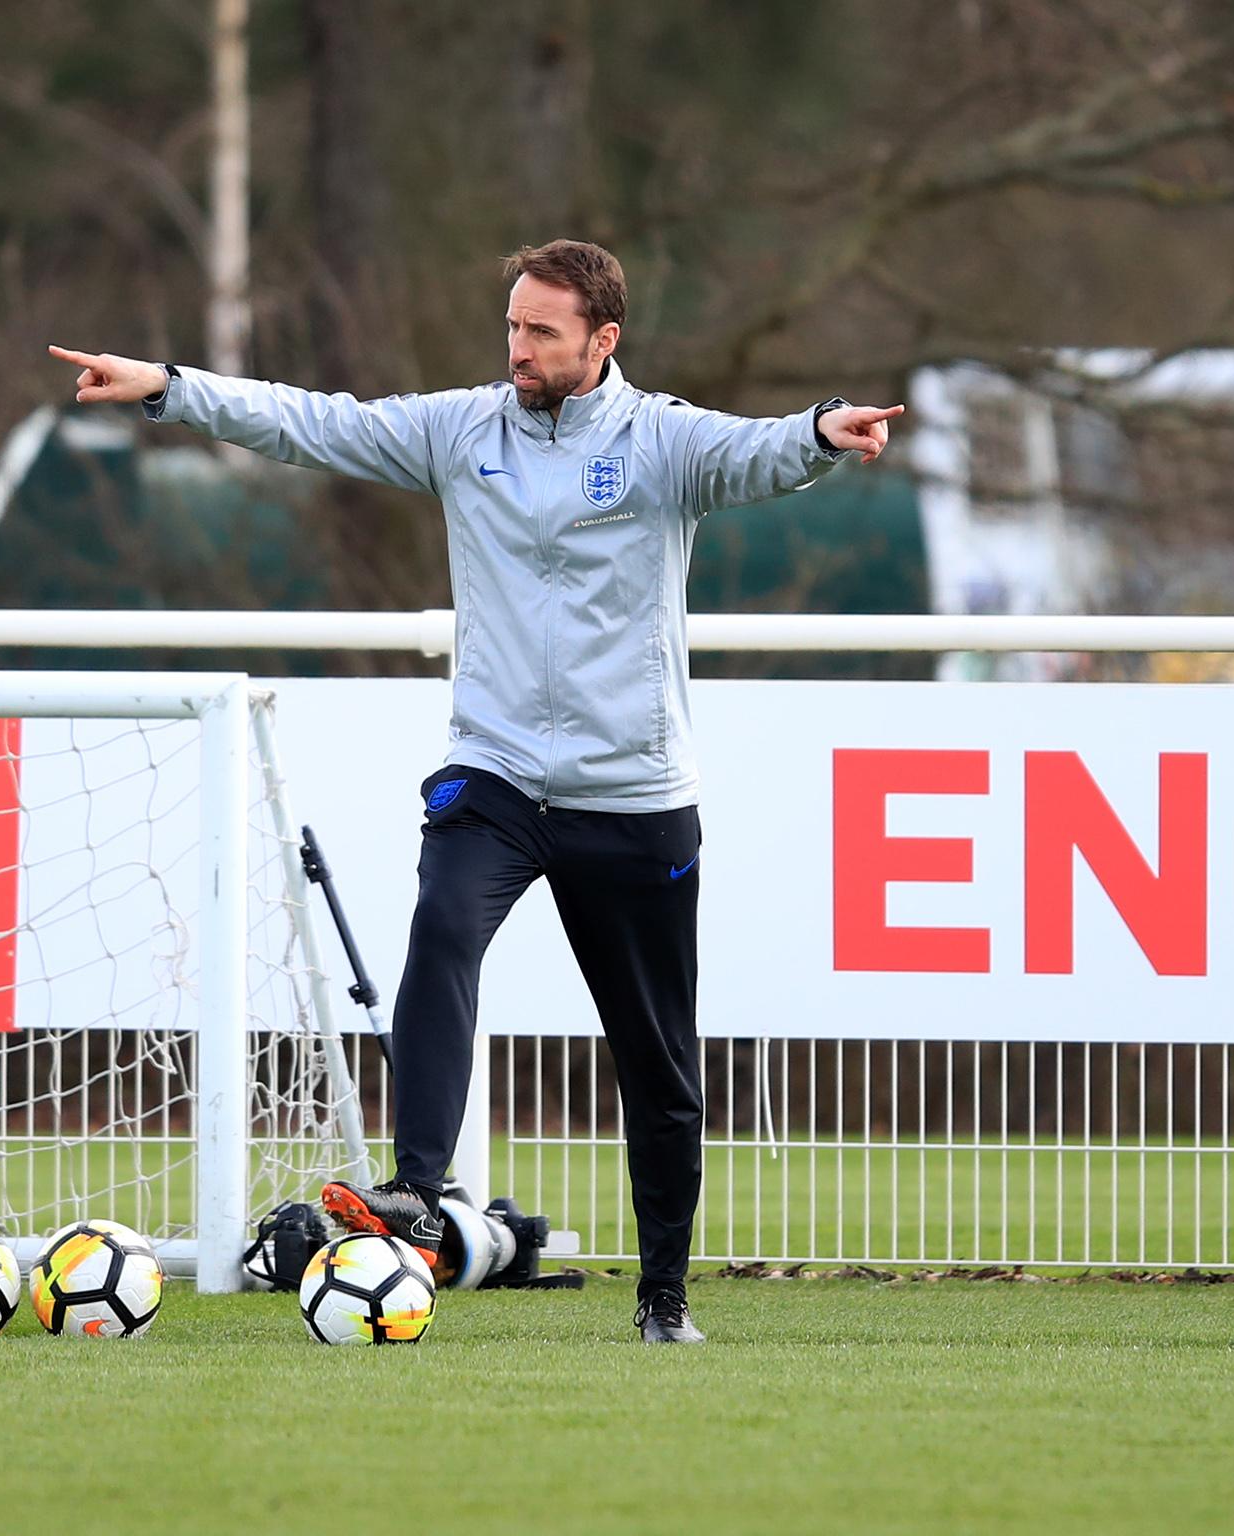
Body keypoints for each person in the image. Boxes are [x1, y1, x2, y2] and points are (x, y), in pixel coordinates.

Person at [51, 239, 902, 1343]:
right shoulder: (464, 429)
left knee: (659, 1064)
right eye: (512, 324)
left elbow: (757, 453)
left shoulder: (663, 442)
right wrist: (170, 389)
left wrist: (825, 432)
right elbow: (318, 421)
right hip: (493, 773)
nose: (518, 348)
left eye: (542, 331)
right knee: (443, 930)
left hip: (634, 797)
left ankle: (664, 1298)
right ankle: (415, 1186)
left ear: (603, 341)